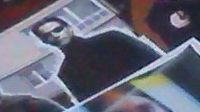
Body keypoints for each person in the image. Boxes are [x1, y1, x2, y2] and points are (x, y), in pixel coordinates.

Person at [27, 11, 157, 98]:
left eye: (58, 29)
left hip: (156, 85)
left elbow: (154, 59)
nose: (55, 35)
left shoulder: (111, 38)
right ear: (45, 42)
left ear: (69, 27)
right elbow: (94, 102)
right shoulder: (66, 73)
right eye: (47, 35)